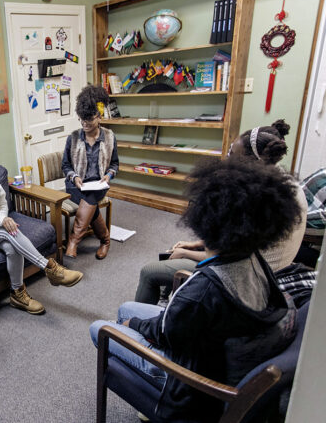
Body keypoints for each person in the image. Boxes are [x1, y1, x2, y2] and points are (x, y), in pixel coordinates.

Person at [90, 157, 302, 421]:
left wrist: (132, 324)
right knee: (124, 309)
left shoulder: (201, 292)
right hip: (215, 350)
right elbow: (176, 324)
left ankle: (149, 399)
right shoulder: (253, 259)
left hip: (186, 382)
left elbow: (163, 332)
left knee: (101, 328)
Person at [134, 119, 308, 304]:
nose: (226, 157)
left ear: (251, 161)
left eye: (232, 153)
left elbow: (230, 260)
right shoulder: (283, 187)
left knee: (150, 271)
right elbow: (230, 242)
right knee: (176, 253)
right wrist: (194, 244)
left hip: (246, 279)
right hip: (259, 268)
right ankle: (167, 297)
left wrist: (188, 253)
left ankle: (155, 313)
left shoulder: (254, 201)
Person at [0, 141, 84, 315]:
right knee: (7, 231)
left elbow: (2, 203)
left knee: (13, 245)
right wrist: (1, 221)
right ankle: (50, 268)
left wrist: (3, 218)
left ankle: (17, 294)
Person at [62, 84, 119, 259]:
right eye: (82, 120)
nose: (85, 124)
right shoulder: (72, 137)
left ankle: (73, 240)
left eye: (90, 120)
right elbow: (66, 166)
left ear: (99, 116)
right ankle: (105, 240)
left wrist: (108, 176)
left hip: (99, 185)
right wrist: (75, 177)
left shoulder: (109, 137)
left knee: (91, 196)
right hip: (76, 185)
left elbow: (115, 164)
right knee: (89, 200)